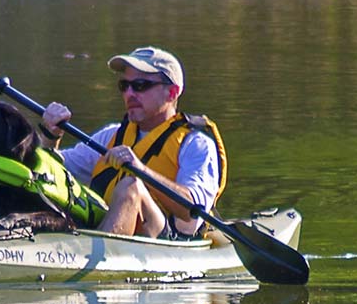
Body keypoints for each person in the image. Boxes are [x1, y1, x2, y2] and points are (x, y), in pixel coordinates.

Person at [41, 46, 227, 240]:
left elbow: (192, 209)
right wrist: (51, 136)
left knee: (131, 186)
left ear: (172, 93)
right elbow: (52, 174)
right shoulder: (111, 136)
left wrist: (141, 171)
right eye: (124, 85)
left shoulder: (196, 144)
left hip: (170, 241)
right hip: (108, 232)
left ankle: (97, 256)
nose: (129, 94)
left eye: (140, 85)